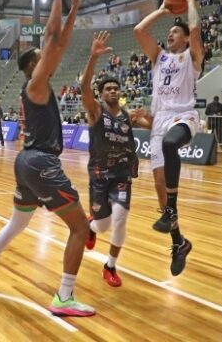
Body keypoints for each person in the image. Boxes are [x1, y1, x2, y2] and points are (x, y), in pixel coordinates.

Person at [0, 0, 96, 316]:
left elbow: (56, 41)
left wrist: (74, 9)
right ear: (33, 66)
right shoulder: (35, 84)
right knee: (80, 228)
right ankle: (64, 296)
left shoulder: (37, 83)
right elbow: (54, 40)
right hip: (40, 162)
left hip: (26, 162)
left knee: (16, 224)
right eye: (42, 56)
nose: (49, 55)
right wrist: (56, 0)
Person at [133, 0, 205, 275]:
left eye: (176, 31)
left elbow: (197, 31)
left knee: (170, 144)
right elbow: (139, 31)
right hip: (160, 120)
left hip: (184, 115)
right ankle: (179, 242)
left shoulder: (192, 57)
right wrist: (163, 9)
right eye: (170, 32)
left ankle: (172, 211)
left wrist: (190, 1)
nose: (170, 34)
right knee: (160, 192)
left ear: (186, 39)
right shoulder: (159, 57)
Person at [79, 31, 143, 287]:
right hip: (98, 175)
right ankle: (90, 227)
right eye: (108, 88)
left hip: (122, 176)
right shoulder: (95, 112)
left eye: (116, 88)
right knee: (103, 226)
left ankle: (111, 266)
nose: (113, 91)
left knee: (119, 220)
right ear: (102, 94)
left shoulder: (128, 115)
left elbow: (154, 124)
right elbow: (84, 87)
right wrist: (93, 57)